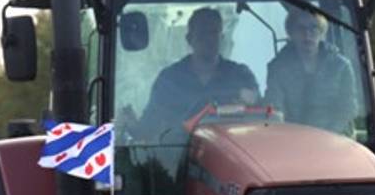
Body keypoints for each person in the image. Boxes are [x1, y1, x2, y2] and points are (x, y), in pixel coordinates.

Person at [136, 7, 260, 140]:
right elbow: (147, 129)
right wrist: (131, 125)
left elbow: (264, 122)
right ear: (189, 39)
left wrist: (252, 100)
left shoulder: (241, 76)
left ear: (222, 38)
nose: (209, 39)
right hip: (177, 157)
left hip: (230, 155)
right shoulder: (168, 81)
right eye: (203, 34)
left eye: (213, 33)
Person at [264, 8, 358, 133]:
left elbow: (348, 109)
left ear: (322, 32)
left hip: (336, 139)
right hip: (292, 138)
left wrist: (327, 135)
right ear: (291, 33)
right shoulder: (277, 67)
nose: (307, 35)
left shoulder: (341, 67)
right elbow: (274, 107)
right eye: (301, 29)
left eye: (313, 28)